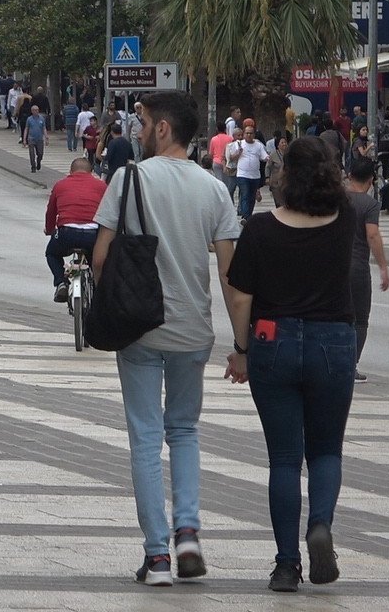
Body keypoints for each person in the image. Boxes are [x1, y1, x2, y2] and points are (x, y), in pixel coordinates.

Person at [91, 91, 241, 587]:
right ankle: (189, 532)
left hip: (139, 327)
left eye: (142, 121)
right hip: (192, 330)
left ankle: (157, 557)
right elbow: (229, 275)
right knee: (185, 431)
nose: (136, 130)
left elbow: (100, 255)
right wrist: (241, 346)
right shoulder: (215, 189)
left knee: (145, 436)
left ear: (162, 129)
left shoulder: (127, 178)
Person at [224, 134, 357, 593]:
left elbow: (240, 294)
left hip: (273, 340)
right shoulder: (346, 221)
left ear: (284, 175)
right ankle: (320, 524)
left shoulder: (260, 229)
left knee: (283, 458)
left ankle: (285, 565)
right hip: (334, 342)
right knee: (326, 450)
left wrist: (241, 350)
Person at [344, 157, 389, 382]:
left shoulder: (336, 199)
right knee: (359, 319)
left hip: (332, 265)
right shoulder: (370, 205)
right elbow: (372, 235)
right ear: (371, 180)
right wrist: (383, 267)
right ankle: (350, 365)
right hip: (357, 269)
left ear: (349, 175)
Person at [45, 158, 106, 302]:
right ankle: (99, 293)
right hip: (93, 234)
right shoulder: (101, 186)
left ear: (70, 172)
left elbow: (51, 212)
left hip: (67, 233)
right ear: (91, 172)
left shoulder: (60, 185)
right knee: (98, 260)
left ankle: (61, 283)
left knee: (52, 253)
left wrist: (49, 230)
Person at [229, 119, 269, 221]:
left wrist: (268, 158)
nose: (249, 135)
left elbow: (264, 156)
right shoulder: (238, 144)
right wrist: (238, 153)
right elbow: (231, 157)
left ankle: (249, 215)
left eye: (251, 133)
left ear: (254, 134)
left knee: (251, 197)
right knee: (245, 194)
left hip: (255, 175)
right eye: (247, 133)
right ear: (243, 134)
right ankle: (245, 216)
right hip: (242, 174)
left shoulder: (258, 145)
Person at [23, 104, 47, 172]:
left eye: (37, 110)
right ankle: (33, 166)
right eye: (34, 110)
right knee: (31, 153)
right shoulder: (29, 119)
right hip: (31, 138)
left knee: (40, 153)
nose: (36, 111)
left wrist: (46, 137)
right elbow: (26, 129)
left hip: (39, 138)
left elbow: (44, 128)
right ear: (32, 111)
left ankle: (38, 161)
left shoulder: (41, 118)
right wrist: (24, 139)